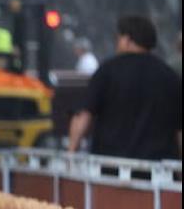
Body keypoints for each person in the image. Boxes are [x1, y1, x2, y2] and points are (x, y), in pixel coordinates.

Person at [68, 15, 181, 160]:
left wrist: (71, 152)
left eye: (119, 38)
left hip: (110, 168)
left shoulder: (107, 71)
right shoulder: (169, 76)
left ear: (127, 40)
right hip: (157, 172)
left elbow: (83, 115)